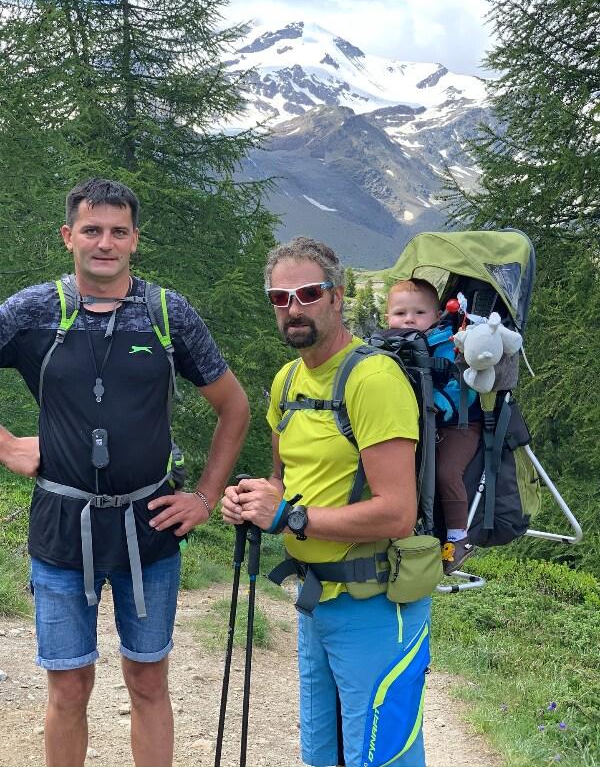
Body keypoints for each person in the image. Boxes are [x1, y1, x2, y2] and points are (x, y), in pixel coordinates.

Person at [0, 177, 250, 767]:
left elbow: (234, 407)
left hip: (150, 523)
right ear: (68, 236)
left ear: (135, 239)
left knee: (147, 679)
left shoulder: (166, 313)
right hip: (62, 524)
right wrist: (6, 445)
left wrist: (205, 498)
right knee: (68, 687)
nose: (105, 243)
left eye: (118, 231)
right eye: (92, 230)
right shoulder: (34, 311)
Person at [222, 237, 431, 767]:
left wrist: (289, 517)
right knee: (323, 755)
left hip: (376, 603)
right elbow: (282, 480)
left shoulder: (373, 380)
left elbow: (398, 512)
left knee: (382, 759)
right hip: (316, 602)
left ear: (337, 297)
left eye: (308, 293)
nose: (293, 308)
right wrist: (252, 501)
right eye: (279, 297)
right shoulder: (287, 380)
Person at [386, 278, 480, 573]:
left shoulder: (448, 343)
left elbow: (464, 384)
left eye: (419, 313)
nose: (409, 319)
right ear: (388, 317)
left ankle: (458, 537)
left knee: (445, 472)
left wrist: (437, 403)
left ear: (438, 316)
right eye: (400, 313)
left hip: (458, 423)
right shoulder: (390, 347)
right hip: (419, 423)